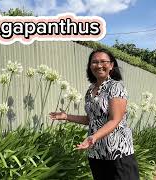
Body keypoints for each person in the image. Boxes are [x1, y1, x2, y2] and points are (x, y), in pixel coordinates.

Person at [49, 49, 139, 180]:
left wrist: (93, 137)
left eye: (103, 62)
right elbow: (91, 119)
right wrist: (66, 116)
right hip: (96, 152)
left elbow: (115, 120)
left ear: (111, 65)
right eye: (95, 62)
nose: (99, 65)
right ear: (90, 66)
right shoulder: (90, 90)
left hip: (117, 151)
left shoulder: (116, 87)